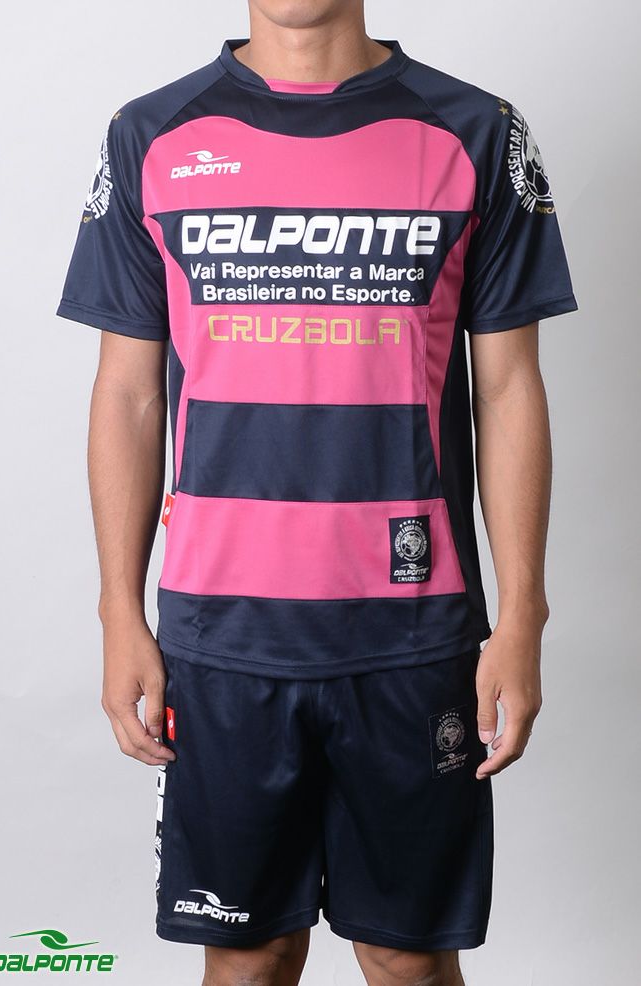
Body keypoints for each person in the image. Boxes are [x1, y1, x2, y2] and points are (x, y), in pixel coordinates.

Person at [56, 1, 578, 983]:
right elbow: (127, 392)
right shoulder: (149, 135)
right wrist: (118, 610)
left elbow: (508, 388)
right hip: (221, 635)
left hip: (414, 634)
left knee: (406, 959)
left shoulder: (477, 131)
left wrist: (524, 619)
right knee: (248, 959)